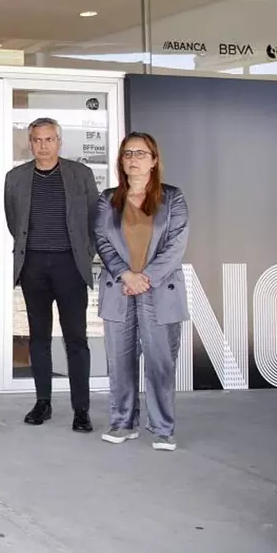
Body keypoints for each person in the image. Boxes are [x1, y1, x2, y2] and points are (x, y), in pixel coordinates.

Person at [4, 117, 101, 433]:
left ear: (59, 142)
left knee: (76, 339)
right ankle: (42, 402)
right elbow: (13, 221)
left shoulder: (80, 174)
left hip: (70, 266)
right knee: (38, 337)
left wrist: (84, 254)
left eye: (49, 139)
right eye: (37, 140)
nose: (43, 145)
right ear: (30, 143)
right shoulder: (15, 178)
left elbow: (94, 219)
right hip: (33, 265)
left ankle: (81, 409)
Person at [95, 132, 189, 451]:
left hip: (159, 290)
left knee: (160, 362)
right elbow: (102, 240)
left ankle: (162, 428)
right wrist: (126, 274)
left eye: (140, 153)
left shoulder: (172, 198)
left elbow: (176, 244)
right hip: (119, 288)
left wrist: (145, 278)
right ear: (121, 161)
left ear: (154, 160)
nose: (133, 159)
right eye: (127, 153)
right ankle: (123, 423)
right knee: (119, 362)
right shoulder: (108, 199)